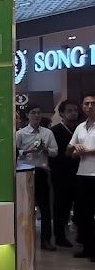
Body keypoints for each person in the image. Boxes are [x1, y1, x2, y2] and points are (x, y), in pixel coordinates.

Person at [16, 104, 58, 250]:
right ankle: (23, 240)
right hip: (24, 173)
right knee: (25, 208)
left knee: (45, 208)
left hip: (41, 171)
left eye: (38, 113)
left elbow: (55, 152)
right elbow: (14, 153)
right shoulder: (20, 134)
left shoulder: (47, 133)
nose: (36, 116)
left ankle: (46, 240)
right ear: (27, 115)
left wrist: (45, 149)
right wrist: (27, 151)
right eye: (33, 113)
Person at [68, 93, 95, 261]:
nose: (90, 106)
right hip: (82, 175)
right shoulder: (79, 127)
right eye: (87, 103)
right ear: (83, 106)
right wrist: (75, 150)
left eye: (93, 103)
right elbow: (68, 150)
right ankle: (87, 247)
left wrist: (86, 151)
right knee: (83, 214)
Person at [50, 99, 80, 248]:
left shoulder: (80, 129)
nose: (73, 113)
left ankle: (81, 237)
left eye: (75, 110)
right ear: (61, 113)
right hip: (61, 175)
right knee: (61, 206)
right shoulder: (55, 131)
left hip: (79, 174)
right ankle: (60, 236)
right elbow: (53, 156)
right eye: (69, 110)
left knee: (80, 206)